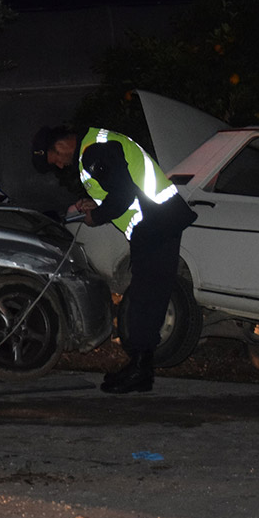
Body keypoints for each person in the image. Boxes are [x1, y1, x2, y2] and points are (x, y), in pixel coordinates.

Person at [77, 128, 196, 394]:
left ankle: (140, 370)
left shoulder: (93, 150)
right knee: (149, 296)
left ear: (60, 146)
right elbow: (119, 188)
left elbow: (122, 194)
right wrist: (94, 205)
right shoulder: (102, 145)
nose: (57, 165)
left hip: (155, 226)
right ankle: (141, 369)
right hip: (159, 224)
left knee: (145, 298)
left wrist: (95, 218)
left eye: (53, 158)